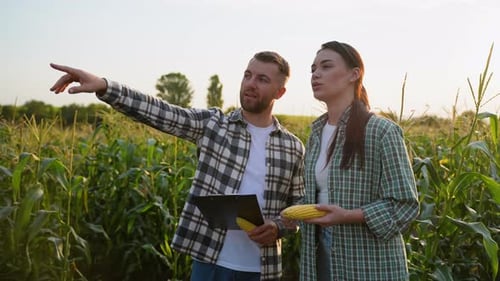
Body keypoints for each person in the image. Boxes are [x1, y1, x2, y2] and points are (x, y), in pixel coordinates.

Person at [49, 51, 305, 281]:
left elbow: (296, 210)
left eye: (262, 79)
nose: (250, 83)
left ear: (279, 92)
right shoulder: (214, 125)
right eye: (248, 75)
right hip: (209, 261)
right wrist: (105, 86)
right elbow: (160, 111)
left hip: (260, 269)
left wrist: (277, 227)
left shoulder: (293, 147)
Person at [294, 41, 419, 280]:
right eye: (312, 69)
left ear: (355, 74)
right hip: (317, 252)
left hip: (366, 263)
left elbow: (405, 205)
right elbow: (317, 196)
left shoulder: (381, 132)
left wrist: (349, 216)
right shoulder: (316, 133)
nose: (316, 74)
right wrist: (292, 215)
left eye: (326, 66)